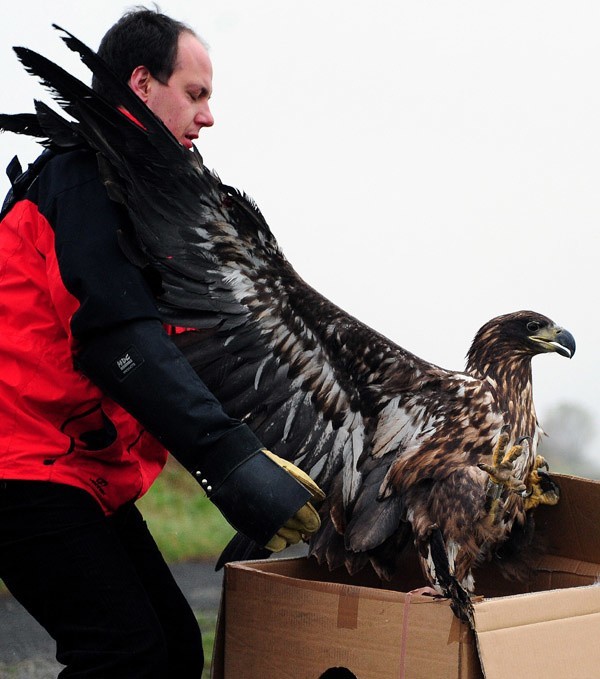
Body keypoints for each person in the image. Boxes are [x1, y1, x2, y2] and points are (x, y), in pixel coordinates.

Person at [0, 8, 323, 678]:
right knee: (125, 653)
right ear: (141, 84)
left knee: (174, 648)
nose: (208, 117)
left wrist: (287, 452)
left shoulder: (149, 199)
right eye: (196, 94)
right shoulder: (80, 182)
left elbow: (203, 350)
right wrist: (232, 462)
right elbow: (120, 341)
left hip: (77, 470)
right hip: (18, 464)